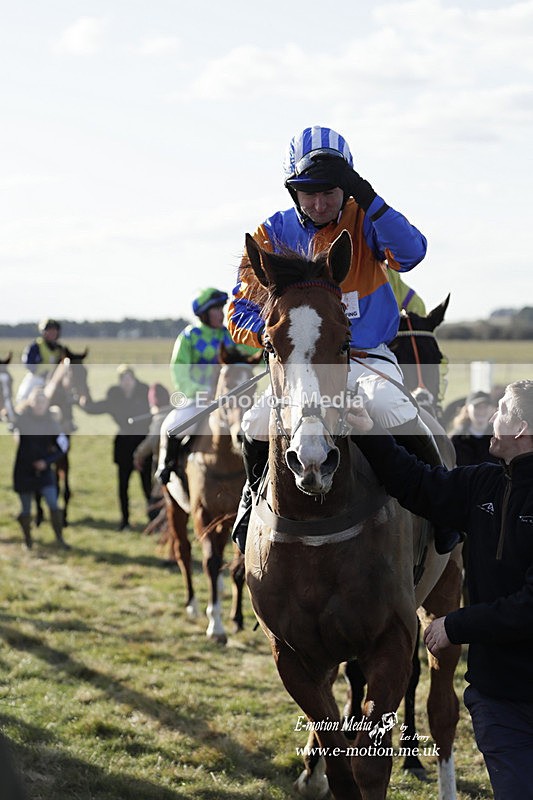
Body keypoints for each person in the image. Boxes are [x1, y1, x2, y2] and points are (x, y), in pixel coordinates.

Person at [227, 124, 455, 551]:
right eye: (307, 193)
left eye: (330, 192)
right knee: (254, 423)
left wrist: (366, 196)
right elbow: (238, 312)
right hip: (299, 364)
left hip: (367, 357)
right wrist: (288, 337)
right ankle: (249, 500)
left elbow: (412, 254)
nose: (318, 203)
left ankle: (440, 503)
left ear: (347, 185)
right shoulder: (269, 234)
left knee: (388, 405)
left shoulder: (365, 218)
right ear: (292, 191)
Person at [350, 379, 533, 799]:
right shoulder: (483, 483)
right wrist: (369, 431)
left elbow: (530, 605)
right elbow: (416, 483)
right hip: (498, 698)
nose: (492, 418)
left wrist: (455, 625)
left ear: (521, 428)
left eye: (502, 411)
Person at [158, 288, 234, 489]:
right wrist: (199, 390)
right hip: (199, 398)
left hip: (228, 400)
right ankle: (168, 466)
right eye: (216, 309)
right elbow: (179, 370)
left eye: (221, 309)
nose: (221, 314)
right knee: (174, 427)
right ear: (204, 313)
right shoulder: (190, 336)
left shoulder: (228, 336)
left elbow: (250, 356)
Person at [79, 365, 152, 531]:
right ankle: (125, 521)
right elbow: (93, 408)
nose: (126, 382)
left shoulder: (145, 395)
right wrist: (83, 398)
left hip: (143, 445)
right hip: (124, 447)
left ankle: (153, 519)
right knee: (123, 486)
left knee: (147, 485)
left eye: (129, 378)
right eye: (123, 379)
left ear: (134, 379)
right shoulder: (114, 398)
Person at [12, 387, 70, 550]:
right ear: (31, 403)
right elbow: (9, 416)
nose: (39, 405)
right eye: (37, 402)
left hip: (44, 472)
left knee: (53, 503)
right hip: (24, 471)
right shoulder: (22, 419)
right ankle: (28, 540)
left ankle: (59, 539)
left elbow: (63, 446)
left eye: (43, 402)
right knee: (26, 509)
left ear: (47, 404)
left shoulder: (51, 423)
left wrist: (47, 461)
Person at [132, 383, 171, 523]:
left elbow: (152, 441)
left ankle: (160, 525)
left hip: (164, 465)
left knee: (157, 500)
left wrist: (138, 454)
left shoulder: (160, 419)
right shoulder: (173, 414)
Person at [17, 319, 65, 402]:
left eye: (54, 330)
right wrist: (39, 372)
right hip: (37, 378)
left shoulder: (60, 349)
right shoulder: (36, 346)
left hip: (53, 380)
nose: (52, 333)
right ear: (43, 332)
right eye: (49, 330)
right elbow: (28, 363)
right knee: (22, 398)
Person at [450, 390, 499, 467]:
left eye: (485, 406)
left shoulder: (499, 438)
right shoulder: (457, 439)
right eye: (477, 406)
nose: (481, 411)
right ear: (467, 409)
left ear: (492, 409)